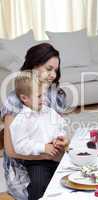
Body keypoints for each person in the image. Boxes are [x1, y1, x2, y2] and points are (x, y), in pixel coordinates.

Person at [0, 43, 67, 200]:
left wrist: (61, 140)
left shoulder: (56, 94)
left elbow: (59, 126)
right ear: (34, 66)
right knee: (43, 185)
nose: (53, 75)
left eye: (55, 71)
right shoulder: (14, 99)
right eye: (49, 69)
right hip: (26, 163)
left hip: (51, 155)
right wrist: (46, 153)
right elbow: (11, 150)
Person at [10, 70, 68, 199]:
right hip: (37, 161)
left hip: (56, 157)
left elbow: (62, 124)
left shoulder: (48, 111)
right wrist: (43, 147)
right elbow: (20, 145)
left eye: (44, 95)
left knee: (64, 179)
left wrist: (60, 137)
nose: (44, 99)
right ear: (24, 98)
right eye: (39, 96)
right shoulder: (21, 120)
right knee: (39, 183)